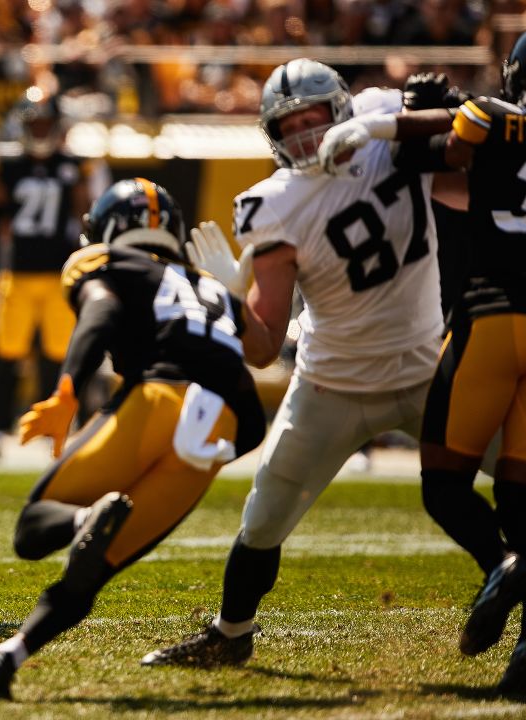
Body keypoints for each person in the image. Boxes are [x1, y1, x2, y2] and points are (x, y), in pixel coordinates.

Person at [142, 59, 448, 668]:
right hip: (333, 380)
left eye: (315, 120)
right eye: (290, 128)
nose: (307, 137)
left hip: (422, 361)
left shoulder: (383, 119)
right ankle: (231, 633)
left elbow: (477, 128)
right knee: (265, 511)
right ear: (272, 138)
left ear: (343, 110)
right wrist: (232, 295)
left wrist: (395, 129)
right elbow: (260, 348)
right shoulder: (272, 200)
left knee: (525, 478)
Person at [316, 21, 526, 697]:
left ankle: (507, 566)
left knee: (446, 485)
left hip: (491, 319)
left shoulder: (494, 114)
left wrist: (383, 125)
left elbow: (445, 153)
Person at [0, 179, 267, 700]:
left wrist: (67, 390)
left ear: (107, 229)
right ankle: (11, 654)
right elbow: (253, 405)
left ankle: (85, 518)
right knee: (96, 562)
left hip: (158, 398)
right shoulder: (215, 289)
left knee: (33, 530)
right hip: (221, 427)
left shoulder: (107, 264)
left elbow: (102, 311)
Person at [0, 91, 88, 460]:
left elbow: (85, 218)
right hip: (19, 272)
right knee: (5, 355)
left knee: (57, 357)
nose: (40, 131)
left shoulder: (75, 165)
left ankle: (52, 429)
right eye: (35, 124)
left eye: (45, 124)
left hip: (59, 274)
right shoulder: (6, 164)